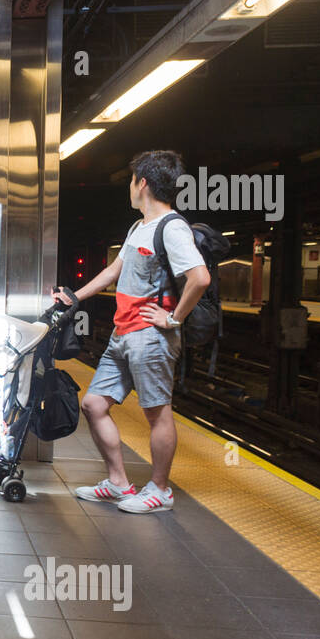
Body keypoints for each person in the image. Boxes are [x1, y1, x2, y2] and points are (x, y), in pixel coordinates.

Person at [55, 149, 210, 513]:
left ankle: (160, 491)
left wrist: (173, 319)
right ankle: (119, 483)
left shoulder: (172, 228)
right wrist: (73, 297)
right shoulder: (139, 226)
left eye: (130, 180)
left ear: (142, 183)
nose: (129, 187)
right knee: (94, 405)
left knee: (156, 411)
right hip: (123, 333)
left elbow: (199, 278)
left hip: (151, 336)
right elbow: (113, 272)